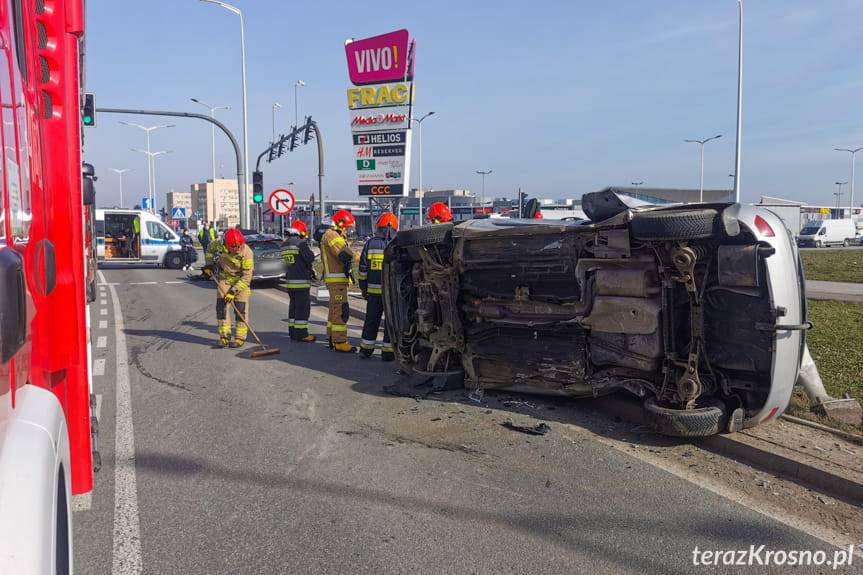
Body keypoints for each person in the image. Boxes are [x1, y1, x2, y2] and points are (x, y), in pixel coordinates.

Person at [202, 228, 254, 348]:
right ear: (226, 243)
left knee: (241, 309)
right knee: (222, 308)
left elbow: (247, 277)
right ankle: (224, 336)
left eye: (239, 246)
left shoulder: (247, 252)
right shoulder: (218, 244)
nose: (237, 249)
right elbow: (209, 249)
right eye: (234, 247)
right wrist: (209, 265)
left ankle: (240, 338)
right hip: (225, 279)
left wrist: (233, 291)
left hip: (241, 281)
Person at [358, 212, 397, 361]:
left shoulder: (370, 244)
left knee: (371, 319)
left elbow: (362, 269)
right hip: (391, 293)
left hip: (373, 292)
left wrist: (363, 288)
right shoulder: (398, 245)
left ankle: (366, 350)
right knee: (390, 322)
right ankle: (388, 353)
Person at [321, 209, 357, 353]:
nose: (348, 231)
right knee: (341, 311)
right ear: (340, 223)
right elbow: (345, 254)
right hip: (336, 282)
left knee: (334, 310)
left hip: (337, 282)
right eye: (347, 227)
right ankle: (340, 341)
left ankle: (331, 337)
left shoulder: (334, 235)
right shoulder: (332, 236)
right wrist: (361, 256)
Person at [280, 220, 316, 342]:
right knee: (302, 308)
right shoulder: (300, 243)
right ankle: (301, 334)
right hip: (301, 281)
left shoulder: (284, 245)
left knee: (293, 307)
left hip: (290, 281)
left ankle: (293, 332)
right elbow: (310, 258)